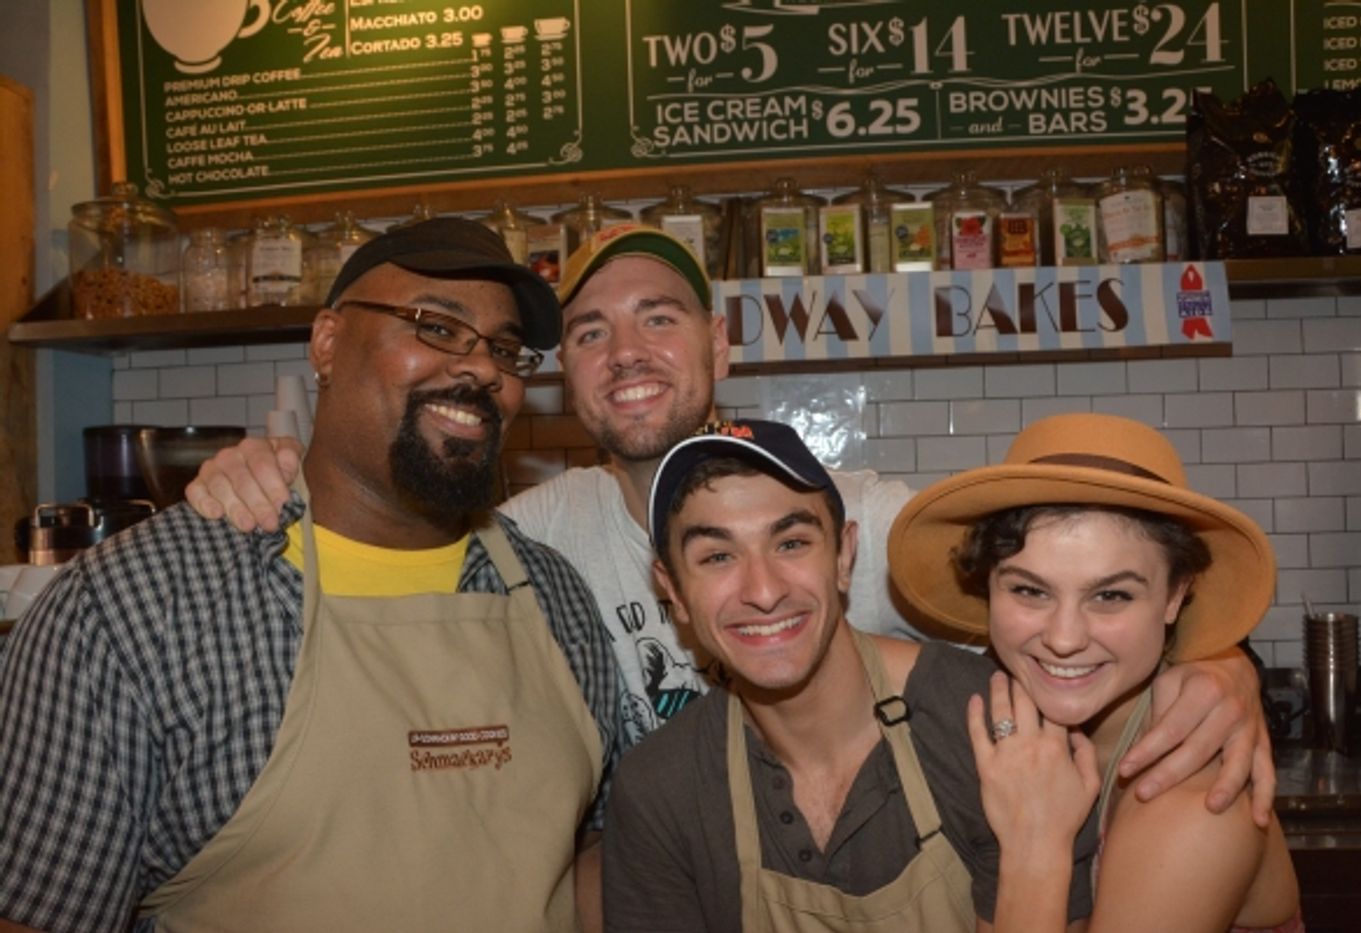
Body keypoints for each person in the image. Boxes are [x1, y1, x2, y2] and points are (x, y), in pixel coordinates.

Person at [185, 224, 1276, 822]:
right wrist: (271, 471)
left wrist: (1218, 664)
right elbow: (383, 552)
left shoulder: (857, 515)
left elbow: (1069, 585)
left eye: (657, 319)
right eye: (591, 332)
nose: (626, 352)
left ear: (718, 346)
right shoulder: (528, 540)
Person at [0, 219, 624, 932]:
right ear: (327, 342)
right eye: (437, 326)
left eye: (504, 350)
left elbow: (589, 852)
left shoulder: (555, 597)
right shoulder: (132, 607)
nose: (484, 369)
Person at [603, 418, 1096, 932]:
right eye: (718, 556)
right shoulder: (660, 790)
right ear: (674, 591)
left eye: (791, 543)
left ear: (843, 555)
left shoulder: (993, 731)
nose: (764, 592)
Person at [887, 413, 1301, 931]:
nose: (1064, 639)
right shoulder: (978, 701)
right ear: (987, 584)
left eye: (1111, 596)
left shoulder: (1196, 808)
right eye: (1029, 590)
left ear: (1175, 595)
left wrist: (1035, 844)